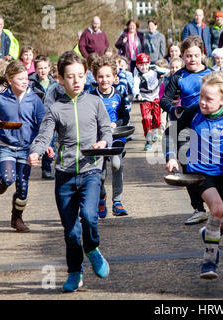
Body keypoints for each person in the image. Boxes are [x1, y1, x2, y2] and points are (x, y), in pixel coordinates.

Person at [28, 51, 113, 292]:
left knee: (88, 216)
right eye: (70, 77)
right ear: (61, 80)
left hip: (91, 171)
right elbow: (44, 136)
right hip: (64, 175)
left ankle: (93, 248)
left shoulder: (95, 103)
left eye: (80, 76)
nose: (76, 81)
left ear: (86, 76)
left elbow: (106, 131)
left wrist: (103, 143)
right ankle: (75, 272)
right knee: (71, 231)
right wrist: (37, 151)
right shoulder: (55, 109)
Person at [164, 71, 223, 279]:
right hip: (199, 172)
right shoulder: (193, 111)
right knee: (216, 209)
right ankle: (208, 262)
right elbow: (171, 132)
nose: (202, 102)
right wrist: (171, 156)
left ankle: (209, 234)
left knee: (221, 222)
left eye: (208, 99)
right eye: (201, 97)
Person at [0, 61, 46, 232]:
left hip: (26, 148)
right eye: (20, 79)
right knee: (9, 178)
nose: (25, 82)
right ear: (9, 81)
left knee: (22, 187)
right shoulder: (1, 99)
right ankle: (3, 181)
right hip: (6, 145)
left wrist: (44, 145)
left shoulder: (34, 99)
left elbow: (44, 123)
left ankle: (17, 218)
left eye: (26, 78)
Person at [160, 35, 212, 225]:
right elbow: (164, 100)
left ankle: (215, 201)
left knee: (208, 166)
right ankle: (198, 208)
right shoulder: (178, 76)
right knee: (187, 165)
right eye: (188, 56)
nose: (193, 59)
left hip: (209, 125)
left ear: (202, 54)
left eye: (196, 55)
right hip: (186, 124)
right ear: (182, 56)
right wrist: (174, 109)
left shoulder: (211, 75)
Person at [91, 56, 130, 217]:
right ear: (95, 77)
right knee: (99, 173)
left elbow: (125, 117)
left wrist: (117, 123)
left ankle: (117, 202)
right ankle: (101, 199)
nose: (104, 80)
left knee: (116, 165)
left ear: (115, 77)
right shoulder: (91, 96)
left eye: (108, 76)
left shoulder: (119, 95)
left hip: (116, 138)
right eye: (100, 76)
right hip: (97, 139)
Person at [28, 54, 58, 180]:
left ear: (49, 68)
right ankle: (30, 162)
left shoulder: (55, 84)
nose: (43, 71)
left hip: (51, 118)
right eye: (40, 68)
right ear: (35, 69)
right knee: (36, 141)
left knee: (51, 143)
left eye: (45, 68)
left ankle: (46, 169)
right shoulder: (31, 84)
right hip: (35, 118)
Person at [133, 53, 162, 151]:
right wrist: (137, 95)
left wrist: (158, 68)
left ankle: (155, 130)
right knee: (146, 118)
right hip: (144, 98)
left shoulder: (154, 70)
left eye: (145, 64)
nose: (144, 67)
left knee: (157, 120)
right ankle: (148, 140)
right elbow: (135, 86)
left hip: (155, 97)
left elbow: (168, 71)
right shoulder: (137, 75)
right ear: (137, 65)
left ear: (149, 63)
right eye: (141, 65)